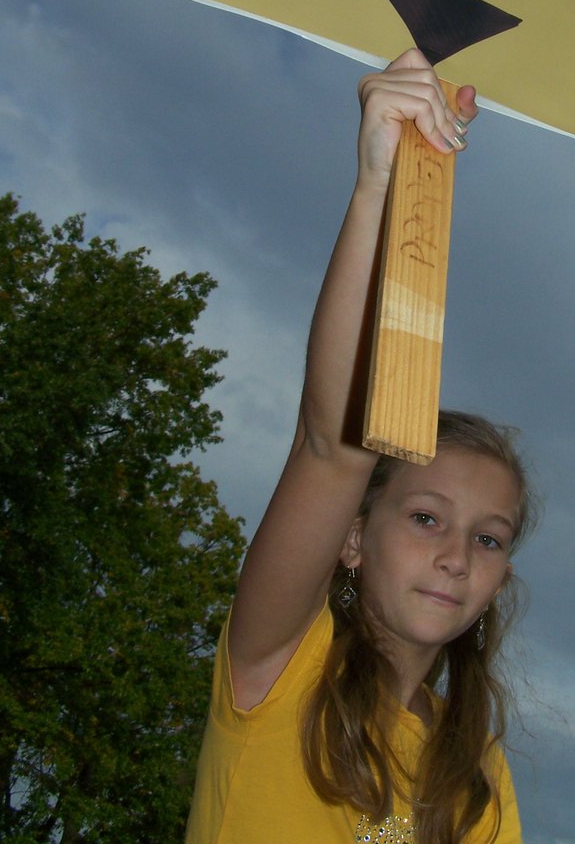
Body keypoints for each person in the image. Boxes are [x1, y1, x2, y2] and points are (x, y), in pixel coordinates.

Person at [185, 49, 536, 844]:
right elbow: (331, 445)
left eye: (488, 538)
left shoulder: (475, 765)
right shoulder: (279, 666)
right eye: (425, 518)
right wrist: (379, 184)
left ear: (502, 578)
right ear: (351, 537)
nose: (457, 556)